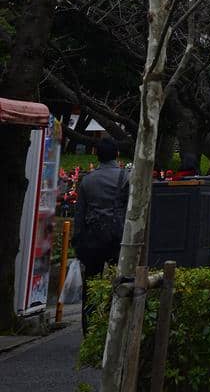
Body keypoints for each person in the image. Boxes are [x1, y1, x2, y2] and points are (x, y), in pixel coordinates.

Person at [73, 136, 130, 333]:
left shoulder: (87, 180)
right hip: (118, 237)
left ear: (96, 155)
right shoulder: (126, 177)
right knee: (120, 281)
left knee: (91, 284)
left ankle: (88, 329)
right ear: (117, 154)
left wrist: (77, 241)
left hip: (93, 238)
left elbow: (79, 214)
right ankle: (114, 324)